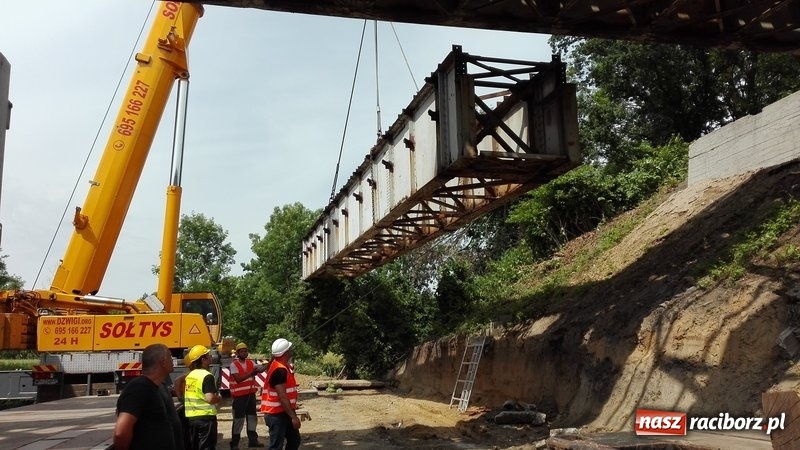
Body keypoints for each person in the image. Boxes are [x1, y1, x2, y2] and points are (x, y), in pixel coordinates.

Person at [113, 343, 183, 450]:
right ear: (163, 362)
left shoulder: (160, 387)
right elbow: (120, 433)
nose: (173, 360)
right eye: (170, 356)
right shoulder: (139, 388)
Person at [261, 338, 301, 450]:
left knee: (294, 441)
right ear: (285, 353)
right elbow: (282, 396)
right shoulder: (280, 370)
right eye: (289, 348)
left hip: (283, 412)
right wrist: (293, 417)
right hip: (276, 415)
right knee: (276, 446)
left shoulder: (280, 366)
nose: (291, 350)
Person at [184, 344, 222, 450]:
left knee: (195, 446)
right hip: (206, 418)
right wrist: (218, 398)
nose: (210, 357)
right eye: (208, 355)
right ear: (202, 359)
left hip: (192, 418)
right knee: (207, 447)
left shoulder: (190, 376)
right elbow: (210, 398)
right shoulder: (207, 376)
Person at [229, 342, 266, 449]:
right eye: (242, 351)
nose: (244, 353)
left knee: (252, 418)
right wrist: (251, 374)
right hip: (239, 397)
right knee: (238, 420)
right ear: (237, 353)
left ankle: (253, 441)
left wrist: (272, 360)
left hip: (250, 396)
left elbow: (262, 369)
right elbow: (238, 379)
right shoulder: (234, 365)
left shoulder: (251, 364)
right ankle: (234, 444)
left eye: (245, 351)